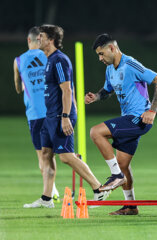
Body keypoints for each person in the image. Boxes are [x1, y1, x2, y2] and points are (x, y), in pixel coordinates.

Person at [24, 24, 109, 208]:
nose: (38, 39)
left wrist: (65, 116)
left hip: (60, 115)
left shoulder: (59, 60)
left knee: (65, 156)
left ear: (51, 39)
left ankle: (99, 189)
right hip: (50, 115)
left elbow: (67, 90)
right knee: (46, 153)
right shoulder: (48, 59)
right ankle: (47, 199)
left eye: (42, 36)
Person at [85, 33, 157, 215]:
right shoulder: (109, 70)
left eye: (101, 54)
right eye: (98, 55)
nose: (100, 58)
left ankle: (116, 176)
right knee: (122, 164)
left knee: (95, 132)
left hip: (138, 119)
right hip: (128, 119)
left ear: (112, 48)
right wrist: (96, 97)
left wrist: (152, 111)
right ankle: (131, 206)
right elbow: (107, 91)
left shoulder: (130, 64)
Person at [14, 26, 60, 204]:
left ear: (28, 40)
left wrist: (27, 83)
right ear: (41, 39)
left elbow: (18, 89)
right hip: (53, 111)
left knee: (42, 156)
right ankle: (51, 191)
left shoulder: (19, 60)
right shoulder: (49, 56)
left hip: (34, 115)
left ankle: (49, 193)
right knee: (54, 154)